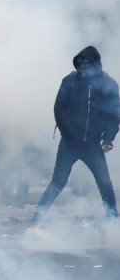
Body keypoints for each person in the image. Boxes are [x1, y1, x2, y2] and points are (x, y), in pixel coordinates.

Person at [30, 46, 120, 226]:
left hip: (92, 144)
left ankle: (114, 225)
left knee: (105, 184)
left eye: (87, 65)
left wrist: (109, 138)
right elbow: (59, 108)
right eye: (80, 65)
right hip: (70, 143)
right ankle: (35, 223)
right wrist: (69, 132)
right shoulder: (69, 81)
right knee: (57, 183)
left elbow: (114, 114)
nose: (83, 69)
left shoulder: (109, 85)